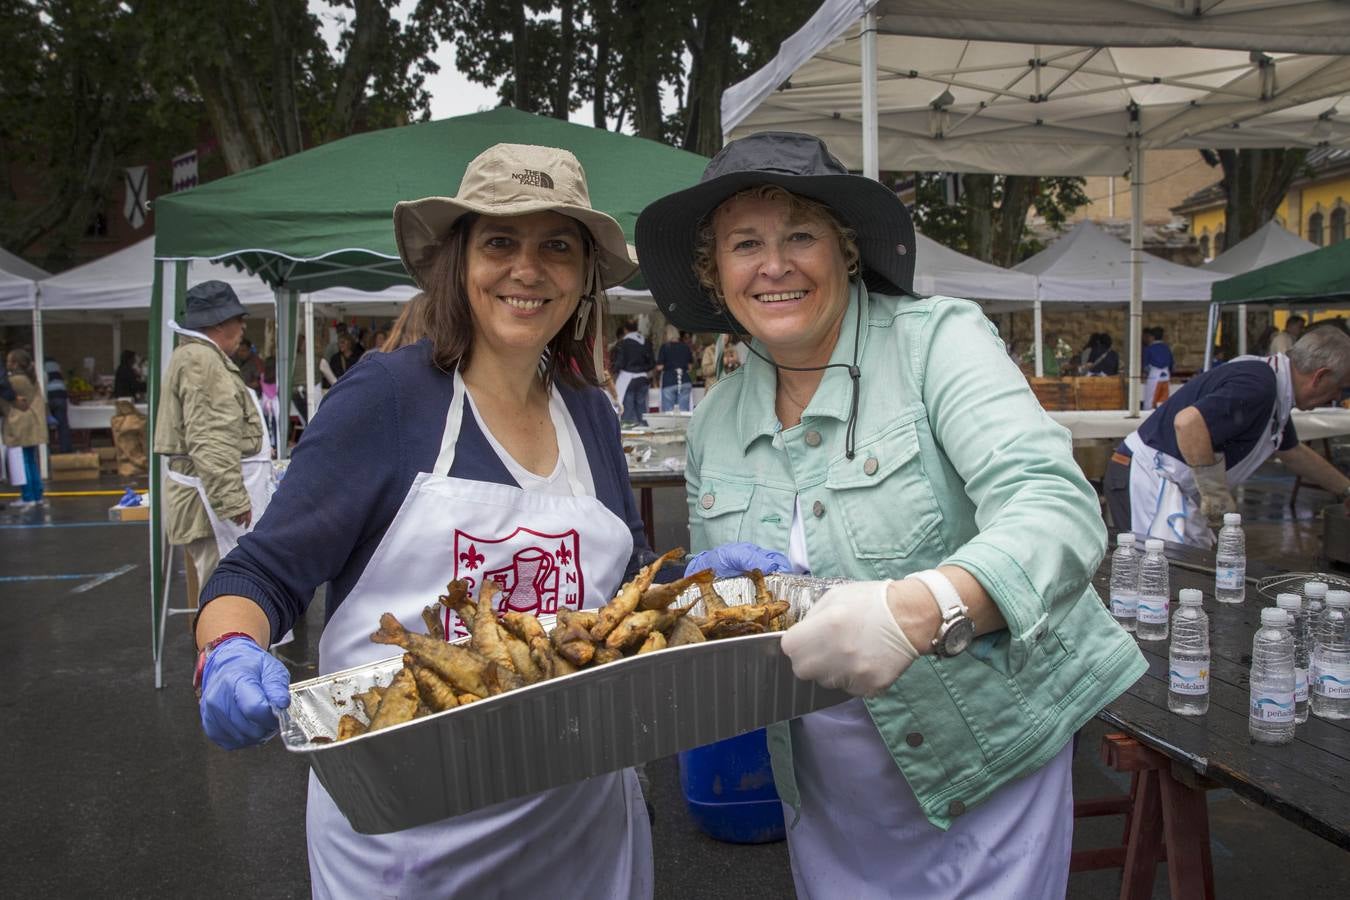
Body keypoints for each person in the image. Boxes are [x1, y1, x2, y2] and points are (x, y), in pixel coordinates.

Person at [636, 132, 1145, 898]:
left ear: (844, 251)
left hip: (984, 762)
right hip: (828, 795)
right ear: (716, 275)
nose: (774, 265)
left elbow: (1056, 505)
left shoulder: (938, 342)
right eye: (745, 245)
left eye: (799, 235)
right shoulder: (716, 422)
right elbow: (733, 614)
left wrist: (923, 607)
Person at [193, 143, 655, 897]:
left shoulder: (591, 413)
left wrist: (696, 589)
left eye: (557, 247)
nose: (527, 269)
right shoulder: (388, 399)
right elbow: (259, 572)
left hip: (582, 827)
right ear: (458, 261)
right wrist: (226, 650)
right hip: (410, 843)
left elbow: (622, 577)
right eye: (500, 241)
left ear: (585, 277)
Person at [1105, 327, 1350, 546]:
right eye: (1340, 387)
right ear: (1319, 376)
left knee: (1176, 575)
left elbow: (1293, 452)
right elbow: (1188, 423)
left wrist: (1346, 489)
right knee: (1154, 578)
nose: (1337, 396)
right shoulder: (1260, 384)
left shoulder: (1275, 392)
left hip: (1164, 482)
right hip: (1146, 477)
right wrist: (1215, 495)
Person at [152, 281, 270, 589]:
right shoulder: (201, 360)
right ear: (219, 323)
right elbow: (210, 436)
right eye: (237, 319)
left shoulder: (199, 356)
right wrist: (232, 500)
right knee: (226, 589)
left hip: (207, 495)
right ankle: (223, 639)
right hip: (209, 502)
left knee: (226, 585)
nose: (243, 326)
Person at [3, 349, 47, 508]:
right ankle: (37, 495)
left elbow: (5, 396)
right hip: (32, 423)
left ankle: (28, 496)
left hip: (19, 424)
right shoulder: (32, 378)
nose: (6, 364)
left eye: (8, 361)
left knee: (22, 463)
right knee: (31, 460)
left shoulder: (15, 381)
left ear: (15, 363)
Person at [612, 319, 653, 425]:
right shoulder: (646, 342)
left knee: (628, 411)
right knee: (642, 410)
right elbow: (652, 363)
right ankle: (645, 431)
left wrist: (613, 371)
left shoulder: (623, 343)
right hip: (642, 379)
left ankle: (630, 436)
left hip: (628, 380)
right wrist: (641, 369)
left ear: (625, 330)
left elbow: (619, 363)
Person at [655, 325, 694, 411]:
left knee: (669, 412)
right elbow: (690, 367)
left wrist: (668, 365)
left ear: (667, 334)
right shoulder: (685, 347)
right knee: (684, 412)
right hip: (684, 380)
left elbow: (659, 367)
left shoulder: (665, 347)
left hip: (669, 380)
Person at [45, 356, 73, 453]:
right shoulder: (56, 365)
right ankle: (66, 450)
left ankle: (47, 451)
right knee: (63, 425)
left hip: (48, 396)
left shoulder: (41, 364)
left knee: (46, 425)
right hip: (60, 396)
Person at [1142, 326, 1174, 409]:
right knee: (1164, 399)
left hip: (1154, 374)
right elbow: (1171, 363)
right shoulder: (1167, 348)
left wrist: (1145, 373)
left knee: (1151, 398)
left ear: (1152, 337)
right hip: (1166, 375)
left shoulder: (1149, 349)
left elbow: (1146, 365)